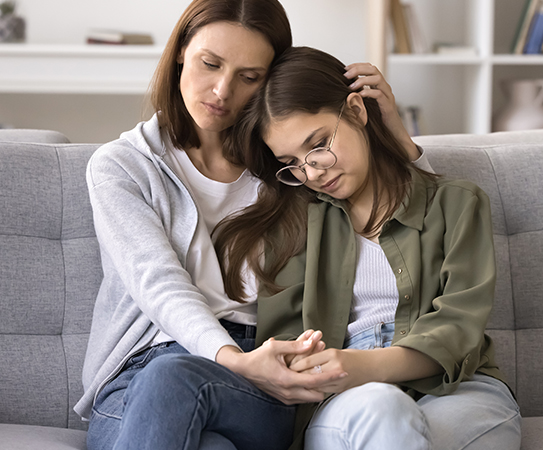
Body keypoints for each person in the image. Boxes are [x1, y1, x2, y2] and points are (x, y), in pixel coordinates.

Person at [75, 1, 426, 449]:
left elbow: (404, 225)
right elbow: (156, 281)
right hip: (141, 373)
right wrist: (228, 358)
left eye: (249, 77)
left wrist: (395, 133)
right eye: (210, 63)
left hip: (261, 373)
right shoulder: (122, 166)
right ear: (181, 50)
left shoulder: (290, 169)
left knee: (177, 378)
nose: (222, 90)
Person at [216, 46, 522, 450]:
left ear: (357, 111)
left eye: (319, 142)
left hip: (458, 387)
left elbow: (459, 325)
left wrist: (364, 365)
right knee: (383, 410)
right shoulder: (291, 227)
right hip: (346, 396)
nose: (312, 171)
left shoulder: (458, 203)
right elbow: (287, 339)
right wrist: (324, 367)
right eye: (292, 162)